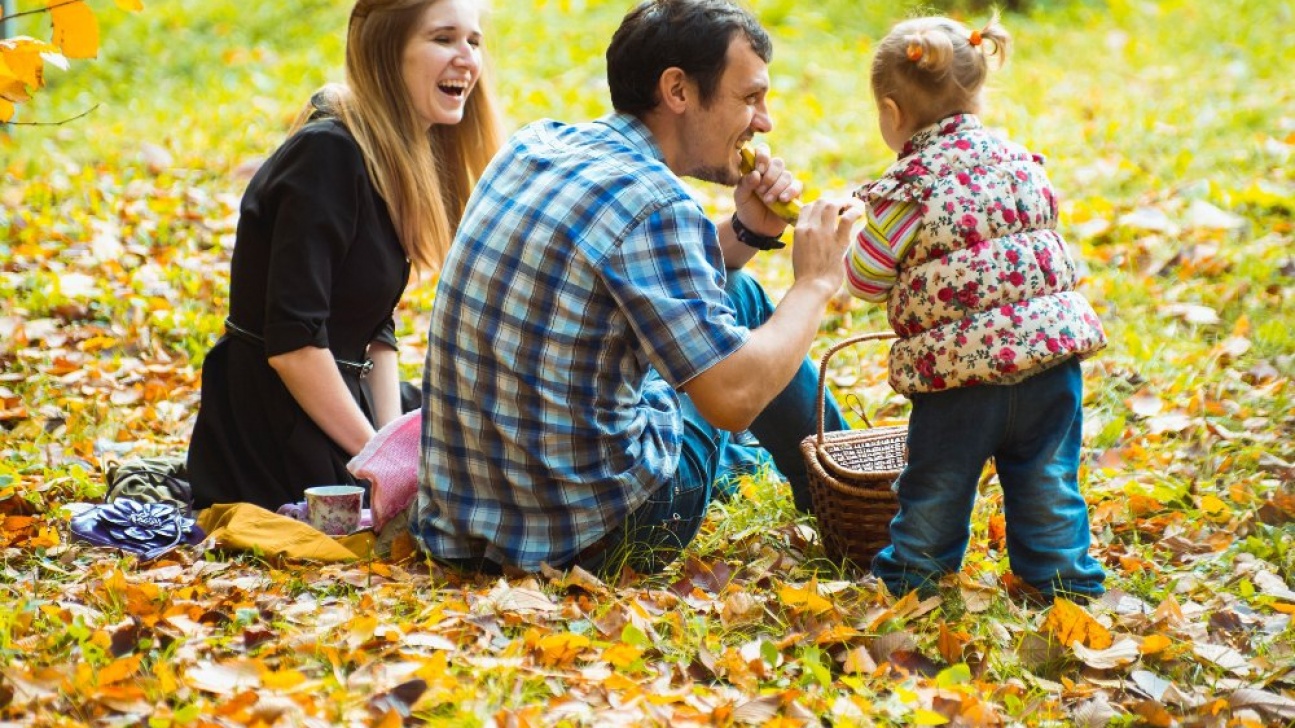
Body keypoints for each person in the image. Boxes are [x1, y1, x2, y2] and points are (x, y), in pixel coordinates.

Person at [411, 0, 863, 576]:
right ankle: (852, 503)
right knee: (744, 307)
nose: (765, 121)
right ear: (677, 89)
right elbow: (731, 400)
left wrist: (748, 229)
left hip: (465, 521)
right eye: (749, 98)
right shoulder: (655, 203)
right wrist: (817, 282)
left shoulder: (536, 145)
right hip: (600, 532)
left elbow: (634, 266)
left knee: (734, 295)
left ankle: (822, 482)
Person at [186, 0, 504, 512]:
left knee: (490, 424)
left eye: (473, 41)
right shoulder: (328, 154)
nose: (466, 58)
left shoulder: (398, 156)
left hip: (341, 397)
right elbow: (293, 346)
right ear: (386, 53)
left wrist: (390, 436)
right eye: (444, 39)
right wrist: (382, 460)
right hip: (273, 425)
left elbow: (375, 328)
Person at [843, 14, 1108, 600]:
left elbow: (865, 280)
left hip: (959, 377)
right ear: (979, 91)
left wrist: (843, 243)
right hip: (1050, 362)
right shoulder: (1022, 161)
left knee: (937, 483)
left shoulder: (905, 189)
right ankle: (1067, 587)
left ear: (891, 112)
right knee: (1048, 483)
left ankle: (914, 581)